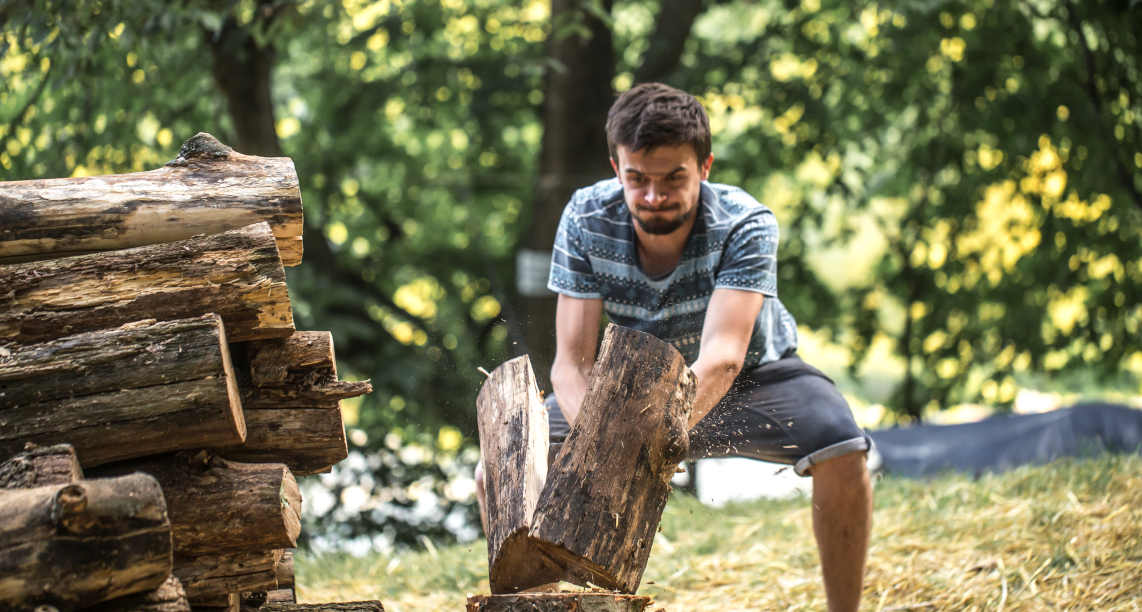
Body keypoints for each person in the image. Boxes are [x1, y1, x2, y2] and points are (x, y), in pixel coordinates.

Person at [477, 82, 872, 612]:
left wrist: (647, 448)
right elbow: (572, 364)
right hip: (628, 391)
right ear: (615, 168)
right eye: (637, 179)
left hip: (749, 377)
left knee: (843, 448)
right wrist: (603, 448)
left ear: (704, 167)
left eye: (673, 179)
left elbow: (725, 355)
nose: (654, 197)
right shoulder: (585, 218)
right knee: (497, 469)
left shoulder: (746, 223)